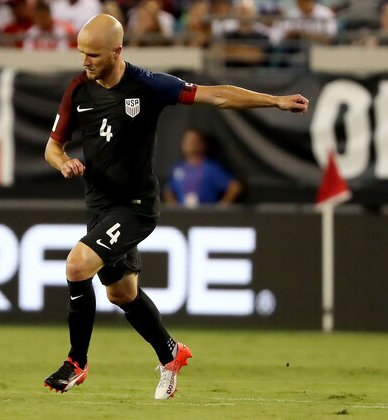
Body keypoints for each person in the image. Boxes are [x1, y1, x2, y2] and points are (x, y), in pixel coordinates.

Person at [42, 13, 308, 400]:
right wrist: (62, 162)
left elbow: (216, 94)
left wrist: (276, 101)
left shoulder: (148, 86)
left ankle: (76, 362)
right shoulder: (78, 89)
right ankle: (171, 352)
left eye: (93, 55)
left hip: (135, 206)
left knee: (77, 264)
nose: (85, 61)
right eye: (81, 53)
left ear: (117, 51)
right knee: (122, 294)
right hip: (99, 203)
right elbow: (53, 146)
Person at [164, 128, 243, 207]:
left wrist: (222, 206)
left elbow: (235, 186)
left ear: (203, 144)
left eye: (195, 141)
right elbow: (169, 190)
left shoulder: (211, 168)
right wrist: (173, 207)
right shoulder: (178, 168)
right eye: (188, 140)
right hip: (183, 214)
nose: (191, 144)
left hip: (205, 215)